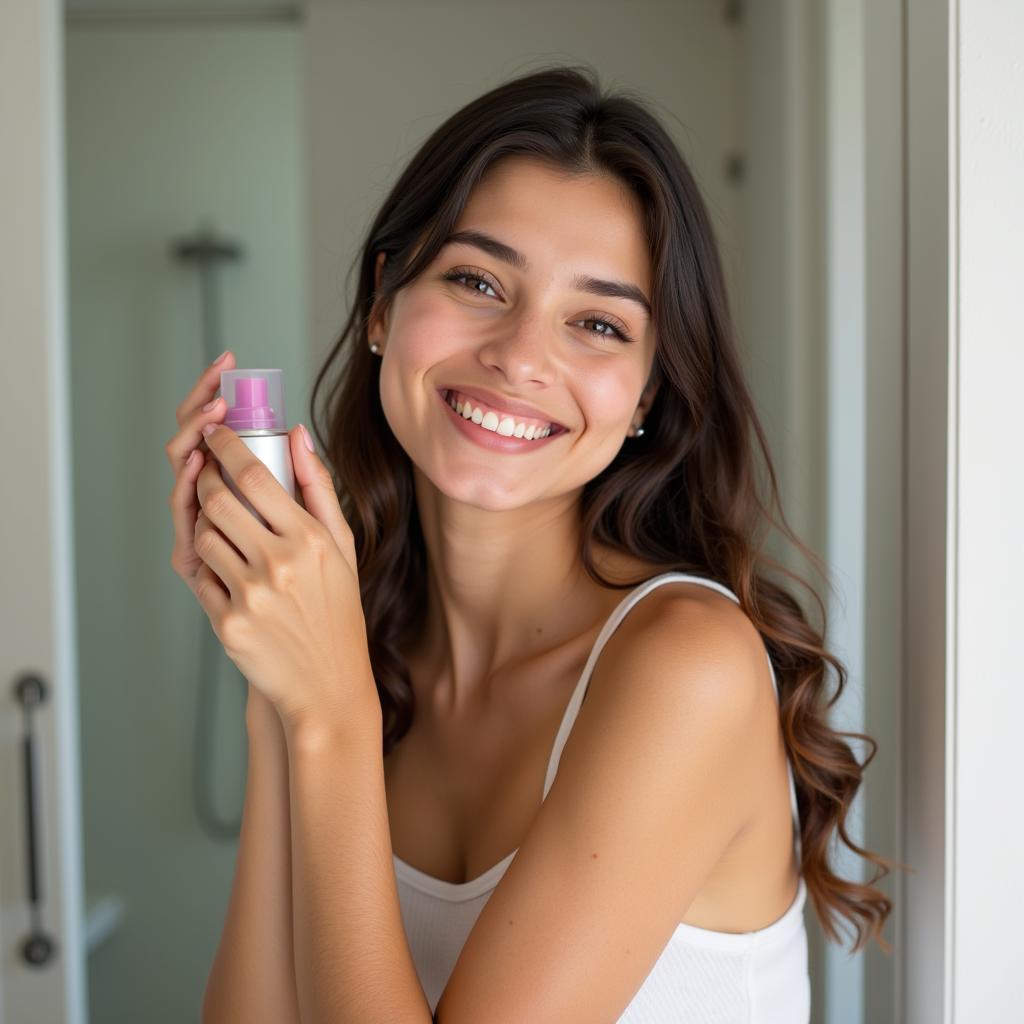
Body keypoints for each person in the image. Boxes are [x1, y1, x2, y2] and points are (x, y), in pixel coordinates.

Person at [170, 65, 894, 1022]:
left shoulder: (686, 668)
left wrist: (330, 713)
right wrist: (280, 693)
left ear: (645, 393)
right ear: (384, 303)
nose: (520, 356)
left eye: (596, 323)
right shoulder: (367, 659)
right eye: (476, 280)